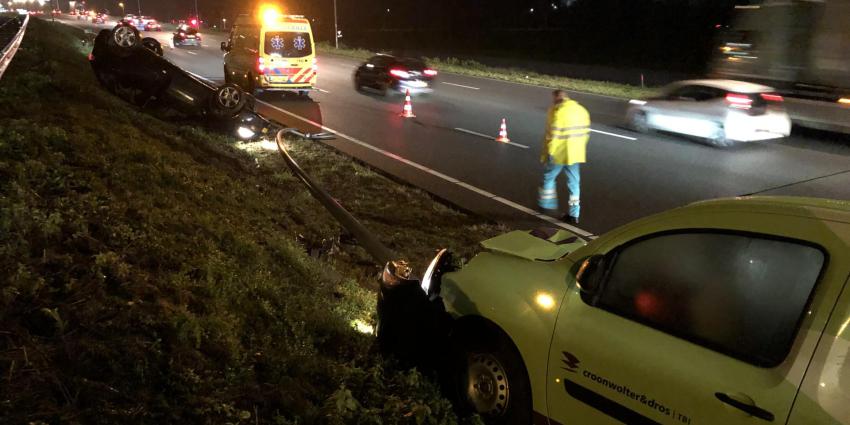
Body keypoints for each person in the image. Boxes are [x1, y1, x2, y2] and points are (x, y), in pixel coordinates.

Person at [538, 90, 590, 225]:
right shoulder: (581, 110)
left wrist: (549, 152)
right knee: (574, 185)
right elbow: (586, 134)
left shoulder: (559, 112)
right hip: (575, 154)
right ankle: (574, 214)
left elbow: (553, 136)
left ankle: (546, 205)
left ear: (557, 98)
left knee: (548, 178)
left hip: (559, 154)